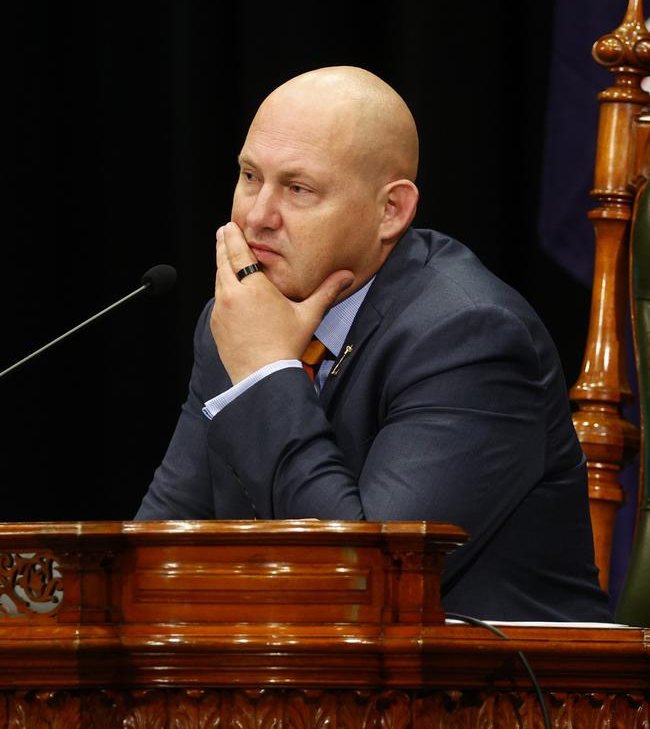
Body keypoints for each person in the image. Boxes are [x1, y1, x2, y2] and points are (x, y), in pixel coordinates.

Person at [136, 66, 612, 622]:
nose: (256, 216)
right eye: (248, 176)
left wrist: (266, 371)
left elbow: (365, 584)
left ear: (392, 211)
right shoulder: (239, 318)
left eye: (297, 188)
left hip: (498, 698)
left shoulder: (470, 335)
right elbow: (155, 553)